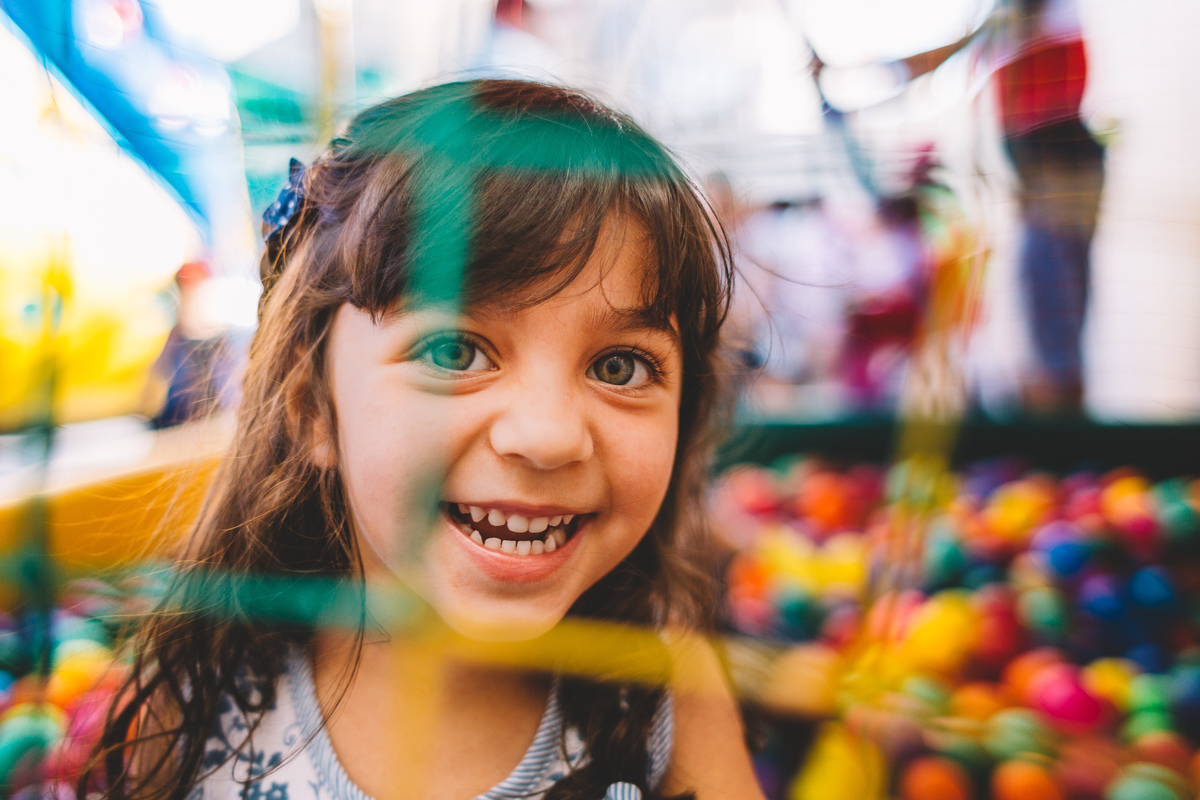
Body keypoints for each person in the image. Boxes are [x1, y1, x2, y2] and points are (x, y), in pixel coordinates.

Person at [81, 80, 764, 800]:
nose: (548, 436)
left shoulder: (661, 693)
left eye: (619, 367)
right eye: (455, 352)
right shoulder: (206, 687)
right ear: (313, 408)